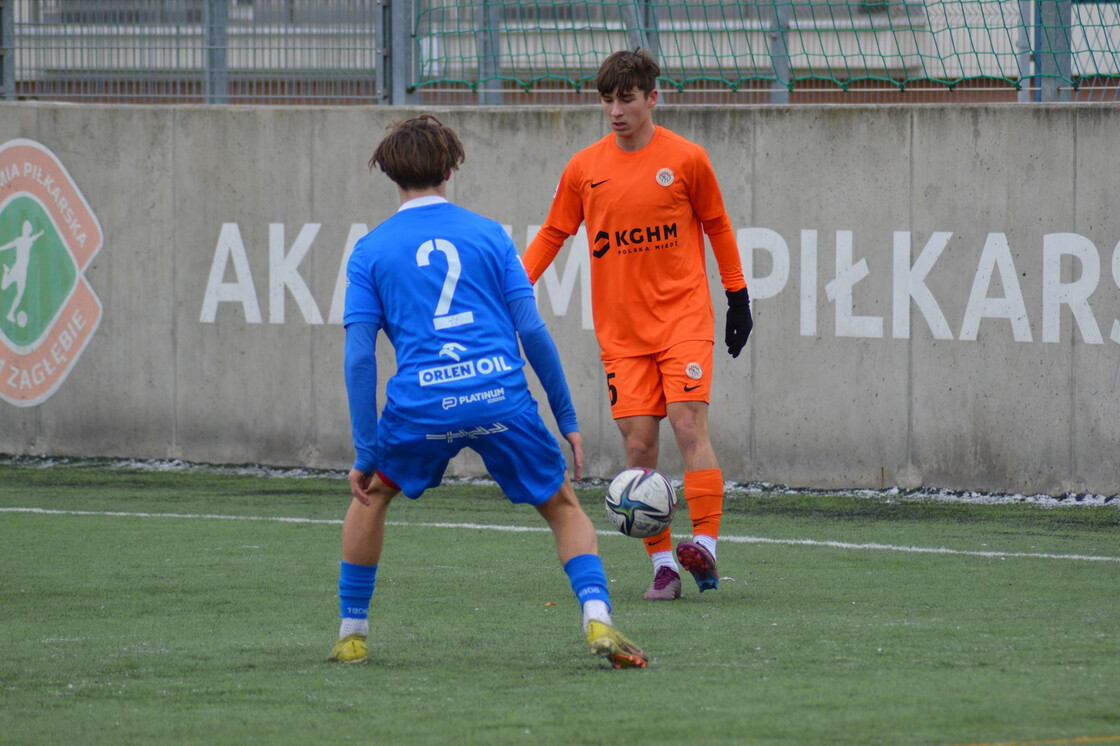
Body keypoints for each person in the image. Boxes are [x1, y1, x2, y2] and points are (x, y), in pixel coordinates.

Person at [330, 114, 646, 669]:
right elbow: (532, 332)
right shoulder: (489, 234)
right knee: (563, 506)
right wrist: (566, 417)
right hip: (500, 394)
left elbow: (359, 356)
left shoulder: (370, 251)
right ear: (451, 167)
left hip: (422, 403)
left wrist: (365, 450)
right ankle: (598, 617)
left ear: (388, 173)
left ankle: (352, 634)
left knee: (373, 497)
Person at [522, 49, 753, 602]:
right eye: (607, 99)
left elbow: (717, 225)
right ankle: (664, 567)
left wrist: (737, 295)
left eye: (626, 98)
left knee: (687, 425)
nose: (616, 110)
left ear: (653, 97)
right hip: (621, 334)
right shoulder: (584, 169)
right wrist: (514, 287)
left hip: (683, 319)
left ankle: (706, 545)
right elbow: (554, 233)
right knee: (639, 450)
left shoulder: (687, 159)